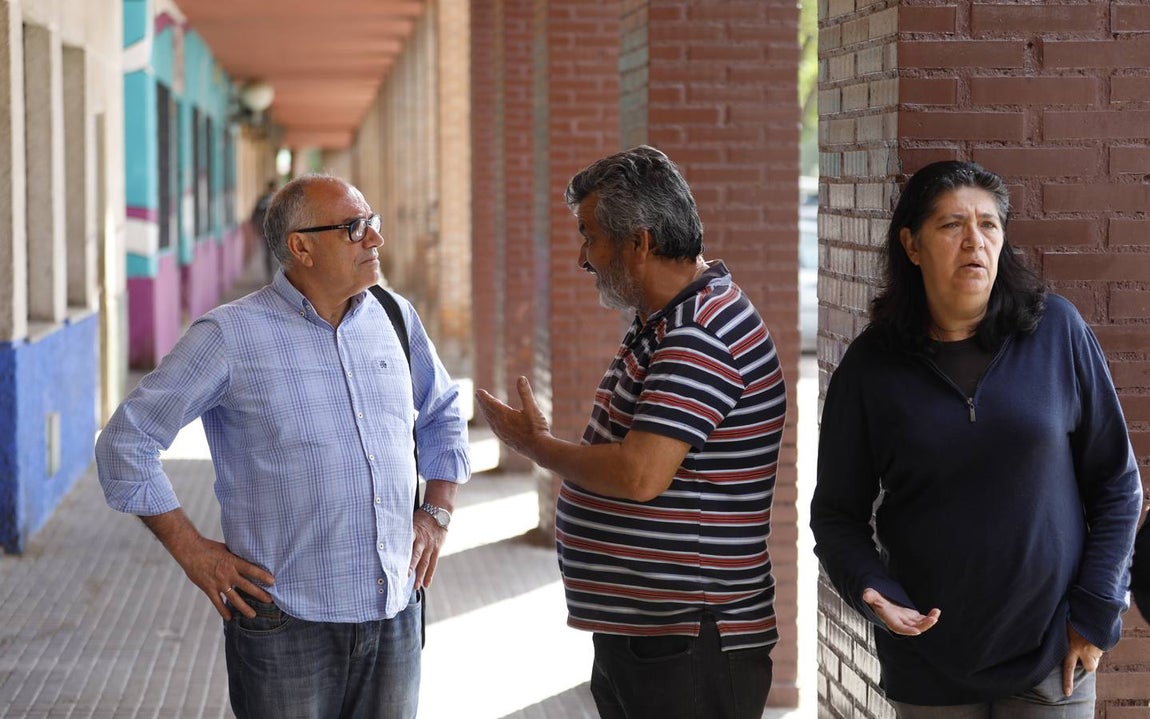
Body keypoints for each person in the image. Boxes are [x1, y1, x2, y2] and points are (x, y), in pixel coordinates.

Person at [95, 174, 470, 719]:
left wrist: (436, 513)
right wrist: (193, 553)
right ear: (301, 247)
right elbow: (126, 442)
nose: (375, 240)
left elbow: (442, 412)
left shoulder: (394, 316)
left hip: (395, 613)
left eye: (373, 224)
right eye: (354, 227)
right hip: (286, 624)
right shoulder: (229, 335)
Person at [810, 160, 1142, 717]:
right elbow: (836, 513)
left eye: (989, 225)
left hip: (1050, 655)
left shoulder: (1056, 332)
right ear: (912, 245)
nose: (974, 242)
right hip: (928, 661)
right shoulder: (872, 367)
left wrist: (1095, 615)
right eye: (951, 226)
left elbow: (1117, 484)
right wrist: (874, 592)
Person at [476, 145, 784, 719]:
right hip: (652, 633)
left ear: (638, 242)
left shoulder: (698, 334)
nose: (583, 258)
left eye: (590, 237)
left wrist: (537, 447)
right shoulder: (666, 318)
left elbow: (640, 474)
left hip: (689, 639)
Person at [251, 179, 276, 280]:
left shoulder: (265, 199)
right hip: (270, 231)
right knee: (271, 254)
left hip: (270, 231)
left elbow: (254, 216)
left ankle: (272, 276)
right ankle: (271, 276)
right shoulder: (276, 199)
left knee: (271, 255)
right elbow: (255, 215)